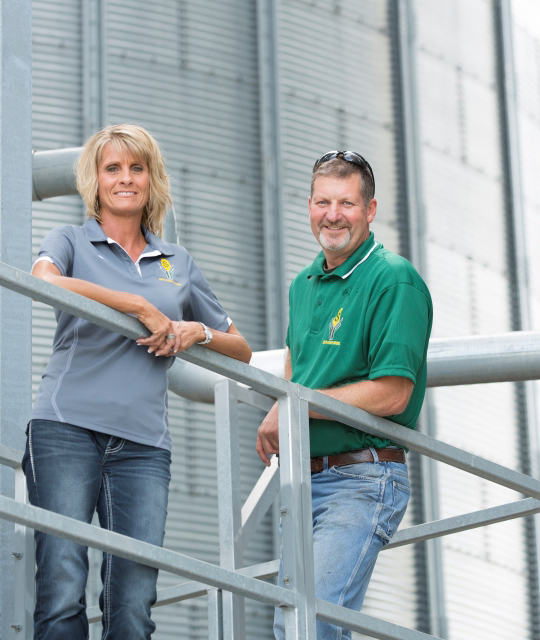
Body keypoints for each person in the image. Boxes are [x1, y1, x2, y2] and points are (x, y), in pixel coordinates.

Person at [23, 123, 252, 640]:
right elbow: (43, 280)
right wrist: (137, 305)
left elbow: (241, 346)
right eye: (113, 168)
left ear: (152, 179)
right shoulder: (71, 240)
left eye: (136, 168)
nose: (125, 178)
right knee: (62, 589)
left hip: (144, 448)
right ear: (95, 181)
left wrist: (198, 332)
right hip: (65, 430)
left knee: (133, 604)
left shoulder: (177, 262)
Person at [256, 151, 432, 639]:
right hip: (304, 482)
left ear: (370, 210)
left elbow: (395, 391)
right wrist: (284, 401)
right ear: (309, 206)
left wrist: (295, 406)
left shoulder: (393, 279)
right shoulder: (303, 283)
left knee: (308, 624)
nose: (333, 215)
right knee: (296, 625)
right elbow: (298, 372)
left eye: (347, 203)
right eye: (322, 202)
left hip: (362, 476)